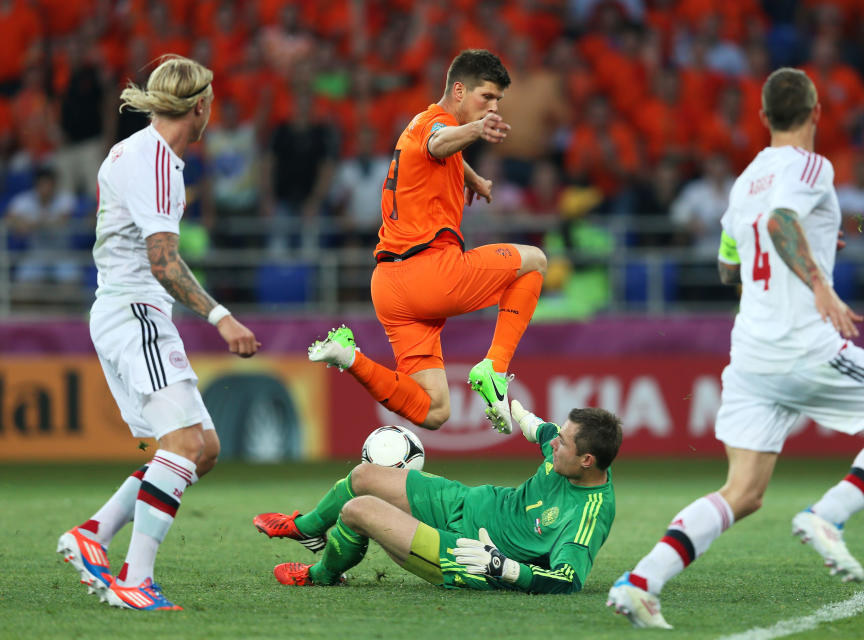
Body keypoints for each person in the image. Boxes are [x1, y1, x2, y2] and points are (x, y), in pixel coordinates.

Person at [606, 67, 864, 630]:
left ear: (763, 118)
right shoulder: (812, 165)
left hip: (752, 359)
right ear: (817, 112)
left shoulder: (743, 182)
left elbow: (728, 267)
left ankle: (641, 581)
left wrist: (802, 247)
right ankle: (828, 515)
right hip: (806, 345)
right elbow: (783, 218)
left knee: (741, 492)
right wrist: (817, 282)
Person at [56, 55, 261, 612]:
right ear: (201, 106)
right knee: (186, 445)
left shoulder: (135, 150)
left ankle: (93, 534)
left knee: (203, 449)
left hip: (127, 312)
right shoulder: (155, 163)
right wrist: (221, 316)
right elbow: (164, 262)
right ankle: (134, 580)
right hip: (135, 313)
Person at [308, 49, 547, 434]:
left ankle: (349, 357)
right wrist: (475, 130)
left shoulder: (415, 125)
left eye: (497, 100)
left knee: (434, 410)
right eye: (486, 97)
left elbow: (434, 151)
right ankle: (495, 370)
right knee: (534, 260)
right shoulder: (437, 125)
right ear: (458, 90)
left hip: (389, 287)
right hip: (431, 273)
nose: (492, 107)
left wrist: (471, 178)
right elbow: (440, 142)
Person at [252, 402, 620, 593]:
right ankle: (307, 529)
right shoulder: (564, 453)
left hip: (465, 552)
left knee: (356, 510)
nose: (555, 443)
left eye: (564, 442)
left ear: (587, 460)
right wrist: (511, 409)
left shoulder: (590, 511)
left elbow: (567, 579)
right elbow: (542, 430)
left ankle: (320, 576)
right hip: (467, 502)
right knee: (362, 476)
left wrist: (504, 567)